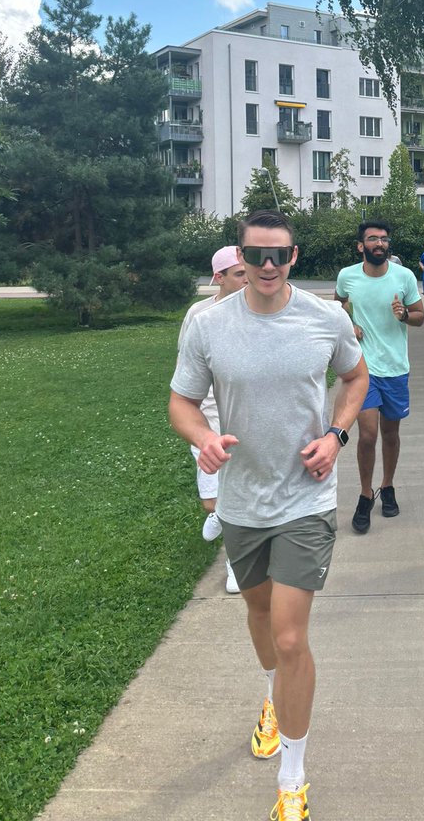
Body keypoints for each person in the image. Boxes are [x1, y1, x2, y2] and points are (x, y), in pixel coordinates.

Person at [169, 209, 368, 821]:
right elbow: (181, 401)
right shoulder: (209, 325)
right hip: (241, 500)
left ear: (294, 256)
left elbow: (356, 377)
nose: (267, 265)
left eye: (279, 254)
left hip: (306, 498)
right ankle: (272, 697)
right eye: (255, 255)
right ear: (240, 258)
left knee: (289, 634)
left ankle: (292, 778)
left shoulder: (324, 318)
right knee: (258, 613)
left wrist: (336, 436)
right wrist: (202, 437)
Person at [335, 219, 424, 534]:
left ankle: (387, 486)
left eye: (384, 239)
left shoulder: (404, 276)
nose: (379, 243)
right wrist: (349, 324)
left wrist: (404, 315)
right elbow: (338, 306)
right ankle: (365, 494)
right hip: (363, 368)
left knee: (390, 433)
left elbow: (419, 317)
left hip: (395, 367)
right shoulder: (347, 276)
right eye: (373, 238)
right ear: (361, 246)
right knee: (368, 434)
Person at [177, 245, 247, 593]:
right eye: (239, 274)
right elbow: (186, 364)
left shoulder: (255, 311)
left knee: (237, 492)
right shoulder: (199, 314)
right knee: (211, 501)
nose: (248, 279)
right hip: (206, 420)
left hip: (242, 418)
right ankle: (218, 514)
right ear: (219, 277)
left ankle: (235, 563)